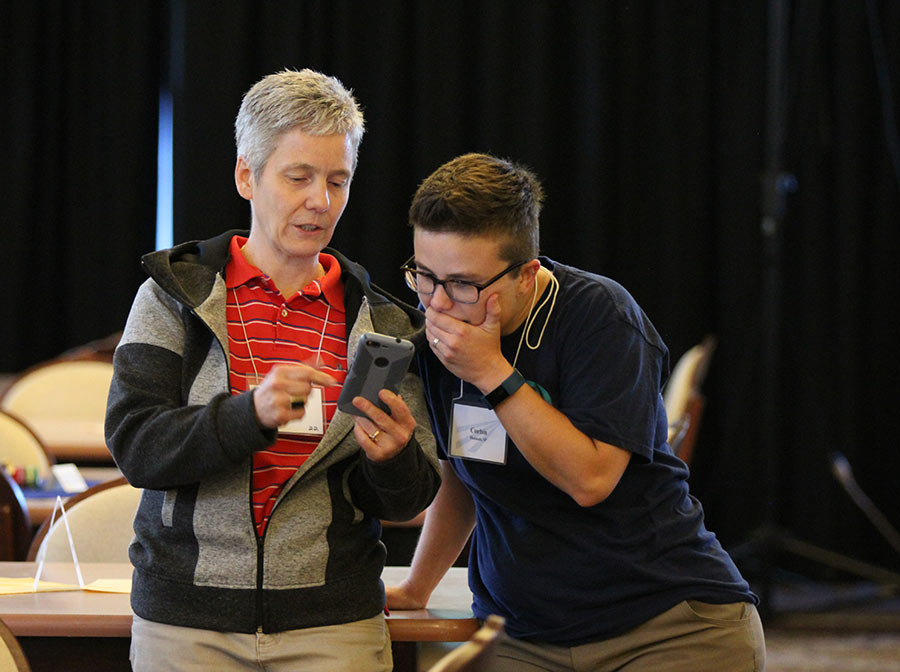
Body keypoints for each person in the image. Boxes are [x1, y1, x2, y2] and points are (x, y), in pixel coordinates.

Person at [105, 69, 440, 672]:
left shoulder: (384, 324)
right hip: (188, 622)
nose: (321, 201)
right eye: (299, 177)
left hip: (334, 625)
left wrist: (392, 458)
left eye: (338, 180)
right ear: (246, 176)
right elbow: (136, 447)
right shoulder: (173, 298)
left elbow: (405, 500)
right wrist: (248, 415)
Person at [387, 153, 766, 671]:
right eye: (424, 277)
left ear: (527, 276)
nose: (438, 305)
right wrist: (417, 586)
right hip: (523, 634)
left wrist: (493, 372)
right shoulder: (443, 334)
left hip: (665, 626)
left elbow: (590, 479)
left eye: (463, 285)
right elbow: (464, 473)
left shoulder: (601, 316)